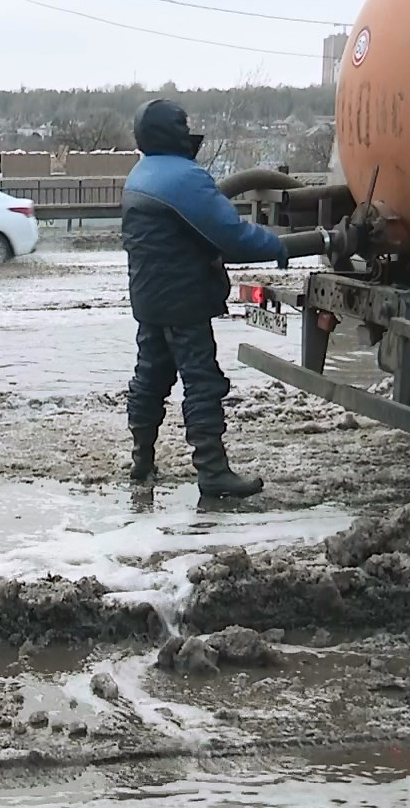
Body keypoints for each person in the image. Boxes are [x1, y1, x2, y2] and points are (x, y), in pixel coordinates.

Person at [121, 98, 287, 506]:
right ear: (174, 133)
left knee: (150, 378)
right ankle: (212, 472)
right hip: (184, 299)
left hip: (148, 296)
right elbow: (231, 236)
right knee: (201, 382)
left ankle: (141, 460)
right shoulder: (184, 178)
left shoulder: (140, 173)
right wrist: (278, 246)